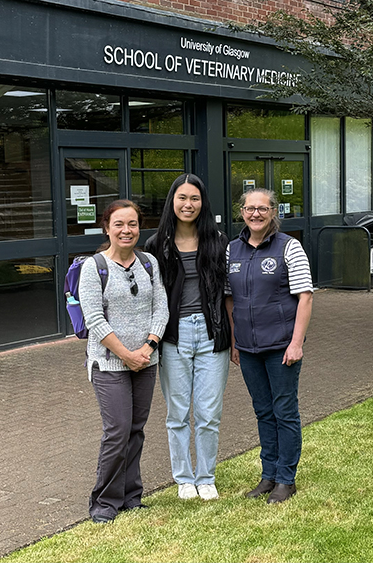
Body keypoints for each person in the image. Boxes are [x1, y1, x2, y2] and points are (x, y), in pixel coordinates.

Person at [79, 199, 169, 524]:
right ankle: (104, 503)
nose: (126, 230)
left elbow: (161, 306)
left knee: (136, 430)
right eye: (119, 224)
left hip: (146, 360)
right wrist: (127, 355)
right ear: (107, 227)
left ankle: (132, 496)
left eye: (132, 224)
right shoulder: (94, 267)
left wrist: (148, 346)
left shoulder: (148, 263)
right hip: (109, 364)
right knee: (116, 431)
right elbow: (94, 319)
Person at [145, 173, 231, 502]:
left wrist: (233, 340)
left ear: (202, 203)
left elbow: (227, 294)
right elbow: (153, 299)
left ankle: (206, 476)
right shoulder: (156, 245)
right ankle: (184, 478)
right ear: (172, 202)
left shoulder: (218, 241)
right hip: (173, 336)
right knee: (177, 414)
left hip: (212, 334)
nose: (188, 204)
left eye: (194, 198)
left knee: (208, 413)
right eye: (182, 198)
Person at [225, 188, 314, 504]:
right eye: (250, 208)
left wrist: (296, 343)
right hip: (248, 348)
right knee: (263, 411)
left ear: (273, 212)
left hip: (281, 346)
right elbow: (230, 299)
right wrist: (235, 341)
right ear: (242, 211)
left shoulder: (290, 247)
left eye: (262, 208)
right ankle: (269, 475)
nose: (255, 214)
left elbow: (305, 296)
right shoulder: (232, 250)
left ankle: (286, 480)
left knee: (284, 411)